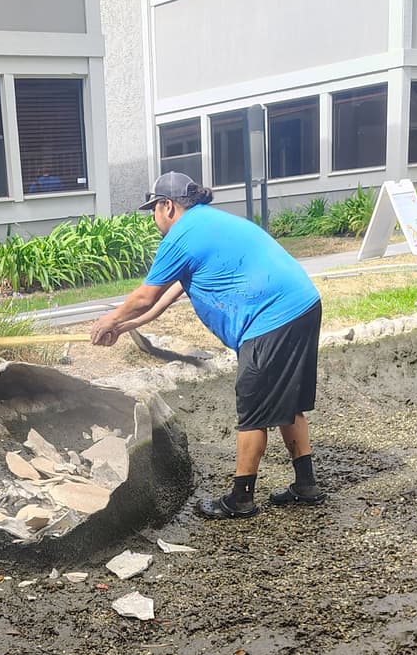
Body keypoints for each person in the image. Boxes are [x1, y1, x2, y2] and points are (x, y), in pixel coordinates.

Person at [90, 171, 324, 520]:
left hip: (270, 320)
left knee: (253, 411)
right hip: (302, 305)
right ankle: (306, 485)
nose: (153, 217)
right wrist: (124, 327)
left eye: (153, 208)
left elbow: (145, 295)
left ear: (167, 205)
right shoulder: (208, 223)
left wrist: (108, 320)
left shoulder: (181, 236)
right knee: (286, 402)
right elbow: (168, 295)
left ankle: (240, 499)